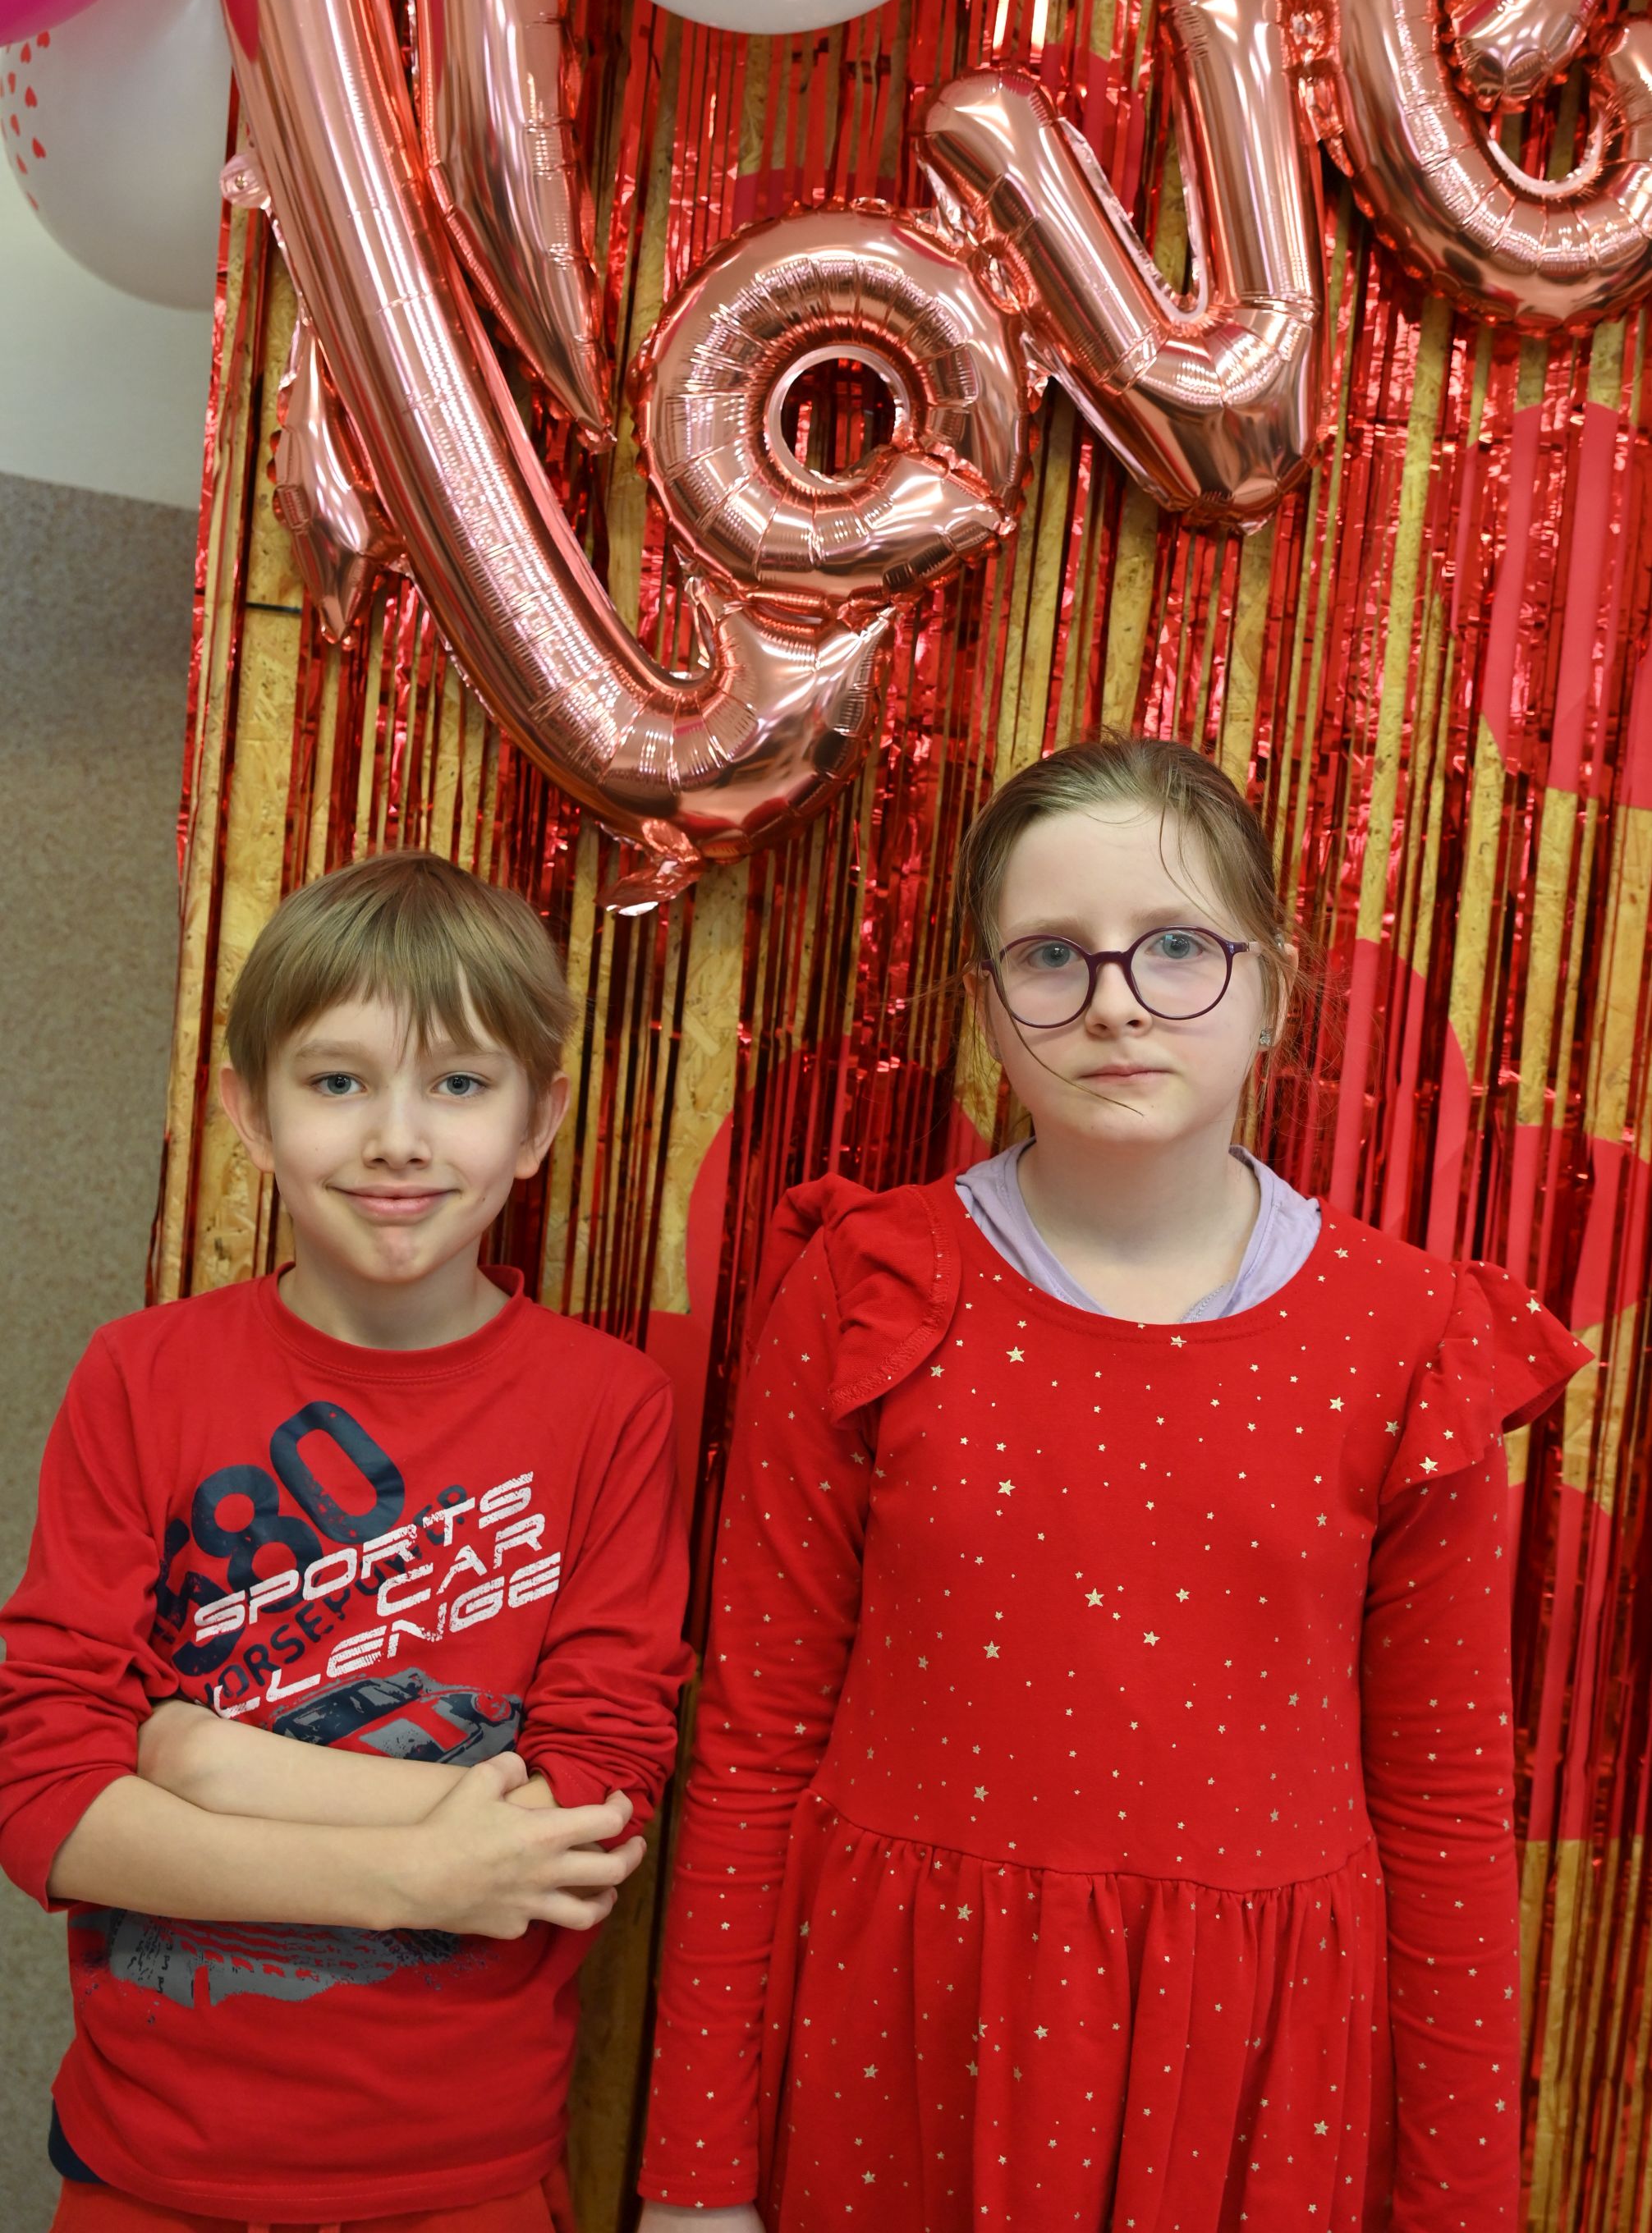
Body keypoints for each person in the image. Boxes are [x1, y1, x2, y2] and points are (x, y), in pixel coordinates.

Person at [636, 732, 1590, 2233]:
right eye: (1050, 956)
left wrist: (1460, 2205)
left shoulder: (1411, 1338)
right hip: (906, 2041)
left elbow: (1448, 1809)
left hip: (1260, 2068)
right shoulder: (869, 1292)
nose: (1115, 1001)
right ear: (985, 1008)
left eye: (1177, 947)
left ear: (1274, 989)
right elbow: (751, 1749)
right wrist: (697, 2181)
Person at [0, 849, 691, 2233]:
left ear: (541, 1121)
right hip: (153, 2165)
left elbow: (594, 1807)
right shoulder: (140, 1375)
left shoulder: (611, 1405)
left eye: (461, 1084)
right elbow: (42, 1795)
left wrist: (210, 1763)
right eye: (336, 1082)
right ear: (248, 1116)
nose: (398, 1139)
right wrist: (418, 1872)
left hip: (463, 2175)